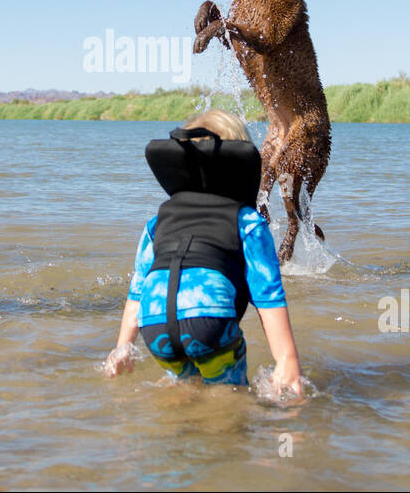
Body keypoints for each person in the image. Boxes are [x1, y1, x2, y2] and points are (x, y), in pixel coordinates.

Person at [104, 109, 304, 395]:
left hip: (155, 324)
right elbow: (268, 295)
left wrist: (123, 347)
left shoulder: (157, 222)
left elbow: (137, 290)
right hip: (209, 318)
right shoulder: (246, 221)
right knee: (230, 398)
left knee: (182, 386)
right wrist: (287, 360)